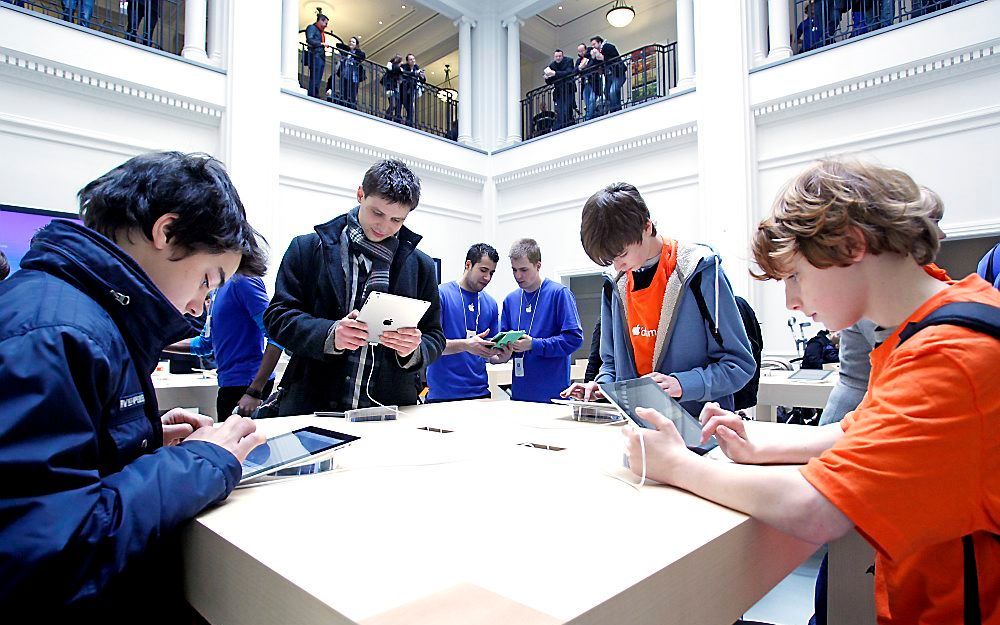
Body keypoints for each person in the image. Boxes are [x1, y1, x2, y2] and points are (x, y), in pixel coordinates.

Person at [624, 159, 1000, 625]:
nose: (791, 301)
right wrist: (760, 445)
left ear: (851, 246)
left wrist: (676, 465)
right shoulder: (932, 325)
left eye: (795, 276)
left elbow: (817, 512)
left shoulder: (952, 356)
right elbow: (856, 432)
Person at [0, 152, 267, 622]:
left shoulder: (81, 311)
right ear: (165, 232)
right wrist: (199, 459)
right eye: (207, 281)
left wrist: (131, 438)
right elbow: (47, 555)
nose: (197, 307)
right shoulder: (57, 333)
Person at [264, 159, 445, 415]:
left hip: (391, 409)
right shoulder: (307, 248)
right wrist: (330, 333)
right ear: (360, 194)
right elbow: (277, 317)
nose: (384, 227)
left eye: (397, 220)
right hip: (313, 404)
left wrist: (413, 350)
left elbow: (435, 336)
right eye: (377, 213)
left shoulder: (421, 265)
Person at [563, 183, 755, 418]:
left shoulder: (700, 271)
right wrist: (601, 386)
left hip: (698, 428)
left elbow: (739, 365)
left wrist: (682, 384)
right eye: (610, 259)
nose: (617, 266)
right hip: (637, 427)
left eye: (622, 254)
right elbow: (611, 363)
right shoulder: (615, 284)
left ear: (647, 226)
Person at [167, 275, 284, 418]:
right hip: (229, 386)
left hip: (247, 386)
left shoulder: (243, 280)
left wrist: (255, 391)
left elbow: (276, 335)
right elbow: (204, 344)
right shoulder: (218, 289)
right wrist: (159, 344)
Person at [496, 239, 583, 403]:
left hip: (553, 397)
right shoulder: (510, 300)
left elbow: (574, 339)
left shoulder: (559, 294)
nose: (518, 275)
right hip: (520, 397)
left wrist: (534, 345)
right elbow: (504, 345)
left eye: (524, 269)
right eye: (514, 270)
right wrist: (503, 352)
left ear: (538, 265)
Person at [426, 243, 512, 402]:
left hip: (480, 394)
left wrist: (502, 356)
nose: (487, 278)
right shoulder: (441, 294)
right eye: (483, 270)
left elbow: (488, 355)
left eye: (492, 273)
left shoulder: (490, 304)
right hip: (443, 396)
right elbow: (430, 346)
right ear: (468, 265)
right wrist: (466, 345)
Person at [589, 36, 626, 114]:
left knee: (613, 91)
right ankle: (616, 108)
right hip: (608, 76)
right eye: (592, 45)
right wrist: (593, 58)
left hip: (618, 74)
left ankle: (615, 111)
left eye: (594, 44)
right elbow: (594, 65)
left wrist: (603, 57)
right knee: (607, 92)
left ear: (599, 42)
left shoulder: (608, 47)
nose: (593, 46)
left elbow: (614, 59)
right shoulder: (597, 53)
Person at [543, 49, 577, 131]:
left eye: (559, 56)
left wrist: (555, 74)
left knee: (567, 109)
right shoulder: (552, 65)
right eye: (556, 56)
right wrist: (547, 78)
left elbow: (569, 72)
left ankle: (568, 126)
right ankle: (561, 127)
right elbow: (550, 82)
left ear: (562, 56)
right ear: (554, 57)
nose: (558, 58)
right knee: (560, 111)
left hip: (569, 89)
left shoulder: (569, 61)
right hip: (558, 92)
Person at [335, 36, 366, 109]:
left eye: (353, 42)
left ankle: (351, 105)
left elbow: (362, 56)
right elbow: (338, 45)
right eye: (350, 41)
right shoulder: (347, 52)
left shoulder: (359, 52)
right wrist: (348, 48)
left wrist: (354, 51)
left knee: (352, 92)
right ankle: (343, 104)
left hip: (353, 75)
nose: (351, 43)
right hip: (345, 74)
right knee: (344, 90)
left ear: (356, 44)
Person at [305, 12, 330, 99]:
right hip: (315, 55)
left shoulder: (320, 32)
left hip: (320, 56)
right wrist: (321, 43)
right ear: (320, 21)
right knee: (315, 76)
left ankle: (315, 92)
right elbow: (310, 39)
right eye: (325, 23)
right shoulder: (312, 28)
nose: (326, 25)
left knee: (318, 77)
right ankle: (312, 93)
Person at [576, 42, 601, 121]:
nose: (581, 53)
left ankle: (588, 118)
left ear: (586, 49)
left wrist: (584, 67)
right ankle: (591, 116)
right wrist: (580, 67)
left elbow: (595, 65)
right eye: (579, 51)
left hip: (594, 82)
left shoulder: (591, 55)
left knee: (592, 99)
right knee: (587, 102)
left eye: (582, 50)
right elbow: (574, 71)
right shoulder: (578, 61)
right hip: (584, 84)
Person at [400, 53, 426, 128]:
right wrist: (414, 73)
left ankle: (409, 124)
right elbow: (403, 73)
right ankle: (399, 120)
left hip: (411, 90)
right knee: (402, 105)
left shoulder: (416, 67)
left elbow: (423, 80)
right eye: (411, 59)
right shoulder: (404, 66)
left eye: (413, 59)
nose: (413, 61)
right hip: (403, 89)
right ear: (407, 61)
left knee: (411, 109)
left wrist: (422, 76)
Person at [383, 54, 404, 123]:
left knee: (396, 104)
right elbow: (396, 69)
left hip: (394, 88)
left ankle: (392, 117)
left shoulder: (394, 67)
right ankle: (387, 117)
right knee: (393, 104)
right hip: (390, 87)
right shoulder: (392, 66)